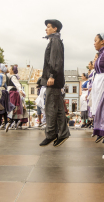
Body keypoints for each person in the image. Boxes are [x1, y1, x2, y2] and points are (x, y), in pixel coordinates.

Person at [39, 19, 70, 147]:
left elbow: (55, 60)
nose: (46, 29)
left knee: (50, 108)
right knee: (58, 109)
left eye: (48, 27)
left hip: (54, 80)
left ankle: (51, 134)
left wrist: (51, 76)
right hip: (55, 80)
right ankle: (62, 134)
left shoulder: (55, 41)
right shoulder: (55, 40)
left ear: (55, 28)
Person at [5, 65, 25, 131]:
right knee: (14, 107)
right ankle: (15, 121)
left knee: (12, 107)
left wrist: (21, 90)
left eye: (10, 69)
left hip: (12, 93)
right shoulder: (10, 76)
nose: (9, 70)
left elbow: (17, 84)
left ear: (13, 70)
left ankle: (12, 121)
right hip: (12, 92)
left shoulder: (13, 77)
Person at [0, 63, 12, 133]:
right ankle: (6, 123)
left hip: (1, 92)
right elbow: (5, 84)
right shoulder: (4, 75)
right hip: (5, 92)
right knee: (4, 109)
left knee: (0, 108)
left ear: (0, 68)